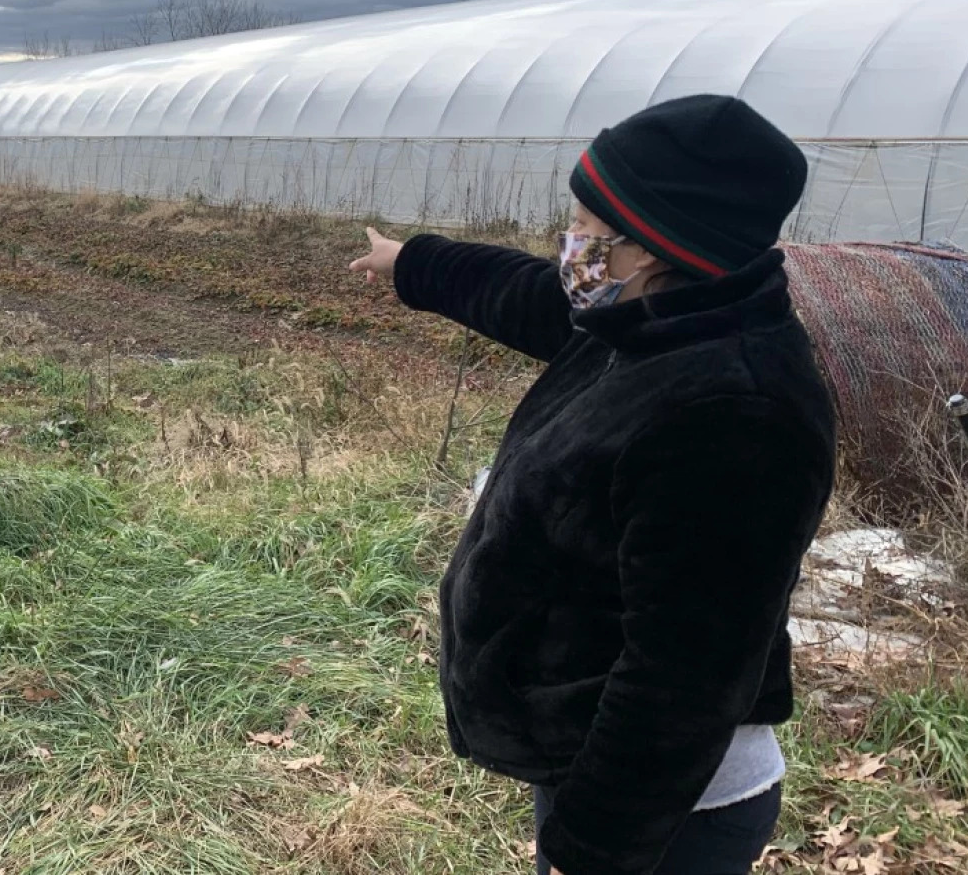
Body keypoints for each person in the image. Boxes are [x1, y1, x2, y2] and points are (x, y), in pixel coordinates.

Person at [350, 95, 836, 875]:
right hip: (592, 759)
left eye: (581, 226)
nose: (566, 244)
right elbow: (527, 296)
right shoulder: (658, 324)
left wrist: (594, 849)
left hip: (665, 812)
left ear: (644, 248)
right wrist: (412, 263)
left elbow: (684, 675)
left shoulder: (734, 417)